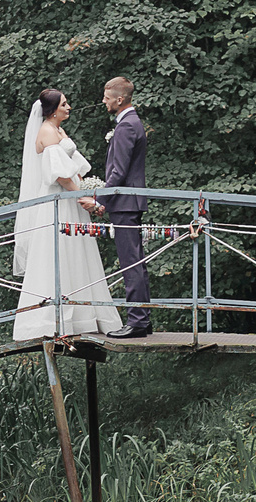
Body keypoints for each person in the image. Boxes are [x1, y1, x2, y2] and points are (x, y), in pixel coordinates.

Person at [12, 88, 125, 341]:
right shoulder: (47, 132)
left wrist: (87, 190)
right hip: (60, 201)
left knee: (78, 252)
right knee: (59, 251)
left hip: (71, 198)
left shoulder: (59, 130)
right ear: (53, 110)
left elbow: (73, 167)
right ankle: (56, 318)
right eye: (64, 104)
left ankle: (84, 315)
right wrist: (84, 197)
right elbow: (61, 175)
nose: (69, 107)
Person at [80, 77, 153, 337]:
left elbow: (118, 172)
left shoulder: (126, 127)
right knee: (136, 262)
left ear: (119, 99)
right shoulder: (132, 123)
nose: (103, 101)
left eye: (107, 97)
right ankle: (142, 319)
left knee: (130, 262)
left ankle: (137, 321)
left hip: (125, 202)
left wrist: (100, 201)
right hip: (128, 202)